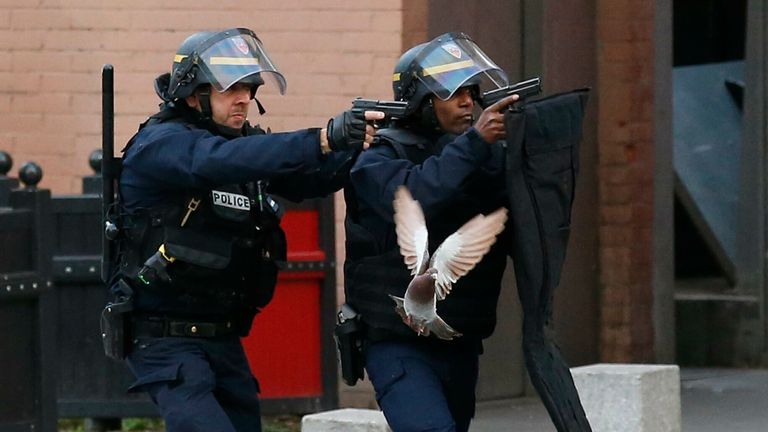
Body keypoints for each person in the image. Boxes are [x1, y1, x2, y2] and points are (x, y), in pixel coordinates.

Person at [103, 28, 380, 432]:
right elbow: (215, 160)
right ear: (193, 93)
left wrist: (363, 142)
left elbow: (307, 179)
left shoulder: (240, 145)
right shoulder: (162, 144)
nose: (244, 99)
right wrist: (321, 137)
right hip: (162, 336)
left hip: (222, 335)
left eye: (250, 89)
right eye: (230, 88)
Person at [342, 32, 519, 432]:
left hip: (458, 341)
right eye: (452, 93)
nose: (467, 102)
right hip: (397, 343)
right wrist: (477, 143)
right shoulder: (377, 157)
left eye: (472, 92)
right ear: (421, 101)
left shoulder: (476, 153)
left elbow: (515, 214)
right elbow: (418, 195)